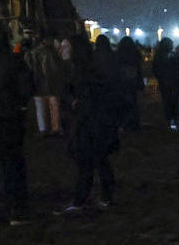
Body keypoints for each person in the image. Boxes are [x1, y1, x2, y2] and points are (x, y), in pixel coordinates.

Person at [61, 35, 122, 212]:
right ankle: (101, 197)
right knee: (97, 161)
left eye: (66, 46)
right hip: (93, 122)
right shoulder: (84, 67)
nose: (62, 50)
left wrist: (77, 104)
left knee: (89, 161)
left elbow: (93, 95)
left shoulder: (84, 70)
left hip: (91, 123)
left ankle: (84, 199)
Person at [0, 28, 34, 223]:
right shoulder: (14, 62)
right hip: (10, 120)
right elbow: (27, 88)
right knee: (13, 165)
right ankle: (17, 210)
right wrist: (20, 107)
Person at [26, 36, 69, 137]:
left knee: (40, 107)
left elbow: (30, 67)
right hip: (52, 84)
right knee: (54, 106)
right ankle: (56, 127)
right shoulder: (52, 53)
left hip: (38, 83)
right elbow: (57, 69)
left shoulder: (32, 53)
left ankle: (43, 128)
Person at [151, 38, 179, 129]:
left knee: (167, 102)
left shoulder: (158, 56)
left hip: (165, 82)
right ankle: (176, 121)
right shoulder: (174, 55)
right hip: (174, 82)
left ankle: (168, 121)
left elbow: (155, 69)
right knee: (175, 102)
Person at [113, 36, 144, 131]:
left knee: (123, 104)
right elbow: (139, 69)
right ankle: (133, 124)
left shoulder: (118, 55)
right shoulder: (135, 55)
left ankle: (124, 124)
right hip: (132, 82)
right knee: (133, 103)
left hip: (122, 82)